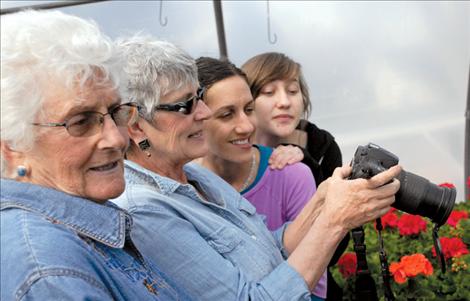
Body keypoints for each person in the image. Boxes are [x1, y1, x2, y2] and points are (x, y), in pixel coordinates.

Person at [112, 35, 401, 300]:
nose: (204, 112)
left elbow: (264, 248)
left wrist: (322, 199)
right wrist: (335, 221)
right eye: (185, 106)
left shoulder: (194, 175)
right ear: (137, 128)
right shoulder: (144, 212)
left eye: (199, 97)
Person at [0, 10, 189, 301]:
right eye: (81, 122)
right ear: (14, 146)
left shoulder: (72, 236)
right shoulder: (50, 272)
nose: (116, 138)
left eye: (116, 112)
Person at [195, 56, 327, 300]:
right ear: (194, 120)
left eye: (248, 109)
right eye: (226, 114)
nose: (245, 126)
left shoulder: (293, 174)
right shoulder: (181, 188)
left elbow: (315, 287)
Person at [242, 52, 347, 300]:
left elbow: (335, 245)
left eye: (292, 91)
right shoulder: (229, 156)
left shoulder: (322, 146)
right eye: (268, 93)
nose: (284, 102)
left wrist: (306, 160)